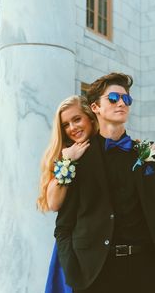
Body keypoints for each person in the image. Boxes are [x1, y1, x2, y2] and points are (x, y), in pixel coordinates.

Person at [54, 72, 155, 293]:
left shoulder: (148, 153)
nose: (121, 103)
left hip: (144, 271)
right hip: (94, 273)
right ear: (95, 107)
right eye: (113, 98)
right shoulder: (77, 157)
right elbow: (64, 226)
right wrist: (74, 273)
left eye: (126, 99)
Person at [37, 95, 98, 293]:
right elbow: (53, 203)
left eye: (77, 119)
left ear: (90, 117)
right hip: (71, 247)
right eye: (65, 124)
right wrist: (68, 162)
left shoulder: (104, 148)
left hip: (101, 242)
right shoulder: (63, 154)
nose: (72, 127)